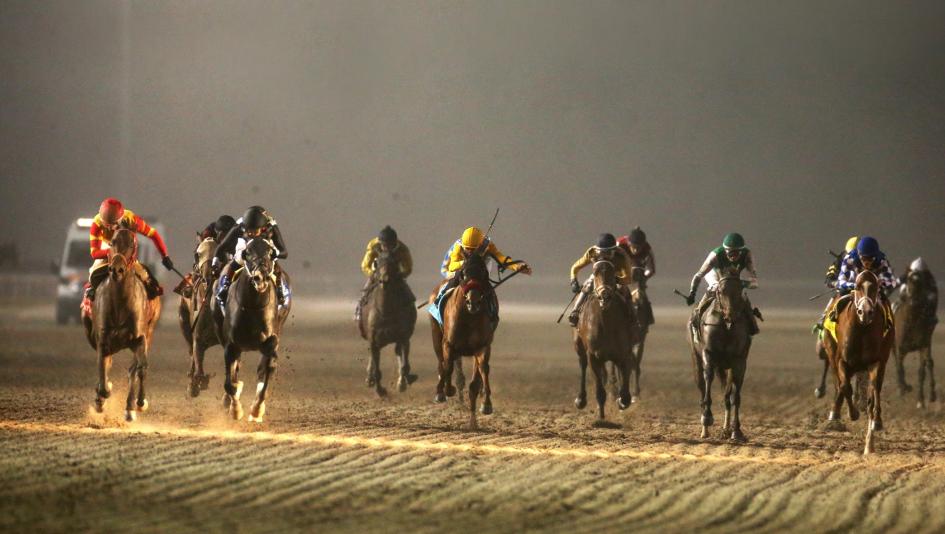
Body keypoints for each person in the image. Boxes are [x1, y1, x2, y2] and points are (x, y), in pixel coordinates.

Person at [431, 226, 531, 324]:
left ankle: (492, 311)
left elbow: (500, 258)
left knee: (486, 285)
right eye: (467, 249)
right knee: (453, 281)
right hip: (463, 269)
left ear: (480, 245)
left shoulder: (488, 244)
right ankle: (438, 302)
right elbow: (452, 266)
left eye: (473, 249)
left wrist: (516, 266)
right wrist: (464, 263)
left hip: (480, 267)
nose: (470, 251)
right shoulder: (458, 246)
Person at [86, 197, 174, 301]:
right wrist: (112, 252)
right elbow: (95, 253)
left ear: (121, 219)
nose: (109, 228)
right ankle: (91, 291)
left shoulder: (132, 219)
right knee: (93, 274)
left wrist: (165, 256)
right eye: (105, 224)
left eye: (113, 224)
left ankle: (151, 296)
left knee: (146, 277)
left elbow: (153, 234)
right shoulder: (96, 224)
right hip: (108, 251)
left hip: (127, 258)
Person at [814, 236, 897, 333]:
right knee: (840, 293)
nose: (867, 262)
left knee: (884, 298)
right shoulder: (849, 258)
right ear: (858, 254)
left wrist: (880, 283)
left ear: (876, 255)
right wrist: (854, 286)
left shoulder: (882, 260)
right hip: (854, 285)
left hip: (872, 286)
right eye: (863, 258)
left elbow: (892, 281)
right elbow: (841, 281)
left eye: (871, 259)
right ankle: (829, 315)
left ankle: (889, 321)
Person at [213, 206, 289, 309]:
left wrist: (276, 254)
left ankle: (280, 289)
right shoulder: (239, 227)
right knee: (238, 259)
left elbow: (284, 252)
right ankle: (225, 286)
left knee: (273, 263)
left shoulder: (271, 228)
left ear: (263, 228)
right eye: (249, 230)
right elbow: (221, 247)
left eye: (254, 231)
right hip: (246, 245)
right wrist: (215, 264)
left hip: (265, 246)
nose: (251, 233)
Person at [685, 232, 760, 336]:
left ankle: (751, 322)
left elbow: (755, 282)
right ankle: (697, 316)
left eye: (736, 253)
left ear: (741, 251)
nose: (733, 257)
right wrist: (692, 293)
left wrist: (741, 284)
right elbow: (699, 275)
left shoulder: (747, 255)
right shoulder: (715, 255)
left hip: (734, 278)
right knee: (715, 287)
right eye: (731, 253)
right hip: (715, 274)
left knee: (741, 295)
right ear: (725, 251)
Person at [568, 233, 635, 327]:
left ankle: (631, 315)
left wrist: (616, 279)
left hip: (615, 276)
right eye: (601, 252)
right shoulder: (592, 252)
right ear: (597, 250)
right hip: (598, 275)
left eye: (608, 252)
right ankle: (575, 311)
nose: (604, 255)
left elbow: (628, 278)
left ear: (614, 250)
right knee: (588, 284)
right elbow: (575, 267)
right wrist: (573, 281)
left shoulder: (622, 256)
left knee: (625, 291)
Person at [355, 225, 413, 322]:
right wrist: (373, 274)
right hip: (376, 274)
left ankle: (411, 311)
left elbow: (408, 267)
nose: (387, 249)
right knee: (366, 291)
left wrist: (402, 274)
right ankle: (359, 309)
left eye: (390, 246)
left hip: (394, 274)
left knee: (407, 294)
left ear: (395, 244)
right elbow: (365, 266)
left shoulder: (402, 250)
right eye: (385, 246)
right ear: (380, 243)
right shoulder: (373, 247)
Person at [617, 226, 656, 327]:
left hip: (638, 276)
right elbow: (612, 263)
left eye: (639, 248)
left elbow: (651, 269)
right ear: (628, 244)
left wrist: (644, 277)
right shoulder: (620, 245)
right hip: (620, 272)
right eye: (633, 247)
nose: (636, 250)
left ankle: (647, 317)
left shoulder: (647, 250)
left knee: (642, 296)